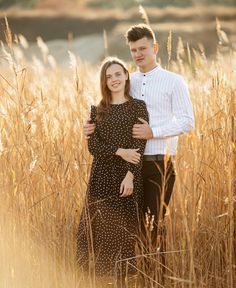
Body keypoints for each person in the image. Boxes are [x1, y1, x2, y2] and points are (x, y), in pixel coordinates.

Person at [84, 24, 194, 284]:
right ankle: (133, 279)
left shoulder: (174, 81)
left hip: (158, 165)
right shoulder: (126, 80)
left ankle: (157, 280)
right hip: (125, 169)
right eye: (133, 50)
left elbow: (188, 122)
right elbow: (107, 111)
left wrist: (153, 132)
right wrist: (90, 126)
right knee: (128, 228)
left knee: (154, 227)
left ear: (154, 48)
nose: (138, 54)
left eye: (143, 48)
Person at [77, 57, 149, 286]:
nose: (114, 79)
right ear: (104, 81)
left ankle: (123, 281)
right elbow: (93, 147)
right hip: (101, 175)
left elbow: (140, 146)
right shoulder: (97, 110)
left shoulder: (138, 106)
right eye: (109, 76)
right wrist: (120, 151)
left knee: (123, 231)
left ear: (127, 75)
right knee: (98, 228)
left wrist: (130, 176)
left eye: (118, 74)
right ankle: (100, 281)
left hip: (127, 177)